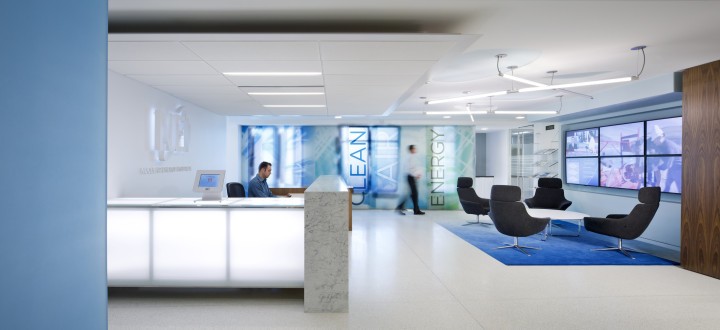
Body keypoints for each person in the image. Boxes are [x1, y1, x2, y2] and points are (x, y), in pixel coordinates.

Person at [395, 145, 425, 215]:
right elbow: (409, 169)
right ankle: (400, 207)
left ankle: (416, 210)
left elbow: (413, 168)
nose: (415, 149)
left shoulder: (411, 157)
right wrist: (416, 174)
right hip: (410, 177)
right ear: (411, 149)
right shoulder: (410, 157)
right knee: (413, 194)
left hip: (411, 177)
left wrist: (417, 174)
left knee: (413, 194)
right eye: (414, 148)